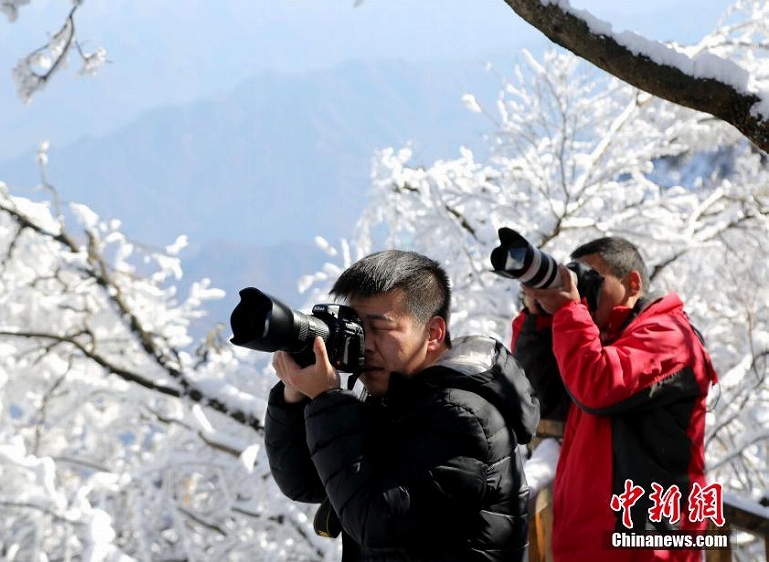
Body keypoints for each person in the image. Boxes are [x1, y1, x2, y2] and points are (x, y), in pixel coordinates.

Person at [264, 250, 540, 561]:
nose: (364, 344)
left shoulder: (463, 415)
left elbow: (379, 521)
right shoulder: (397, 400)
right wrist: (293, 397)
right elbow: (304, 483)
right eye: (357, 327)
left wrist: (326, 401)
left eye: (380, 328)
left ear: (432, 333)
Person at [512, 236, 718, 562]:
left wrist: (569, 309)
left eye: (589, 281)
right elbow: (540, 396)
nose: (582, 295)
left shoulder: (671, 337)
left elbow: (597, 386)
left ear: (632, 283)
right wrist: (540, 321)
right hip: (584, 547)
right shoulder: (602, 341)